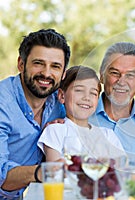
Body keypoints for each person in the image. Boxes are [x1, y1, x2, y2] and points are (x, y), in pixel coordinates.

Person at [0, 29, 70, 198]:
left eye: (55, 66)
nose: (46, 73)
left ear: (63, 73)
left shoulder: (59, 102)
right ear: (21, 64)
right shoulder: (3, 103)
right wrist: (44, 172)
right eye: (38, 63)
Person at [38, 66, 125, 162]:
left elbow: (122, 166)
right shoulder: (56, 130)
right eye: (79, 90)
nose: (87, 97)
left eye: (93, 93)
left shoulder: (107, 135)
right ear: (62, 96)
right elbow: (55, 169)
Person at [89, 42, 135, 166]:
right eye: (114, 73)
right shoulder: (78, 115)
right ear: (102, 76)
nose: (121, 82)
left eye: (130, 75)